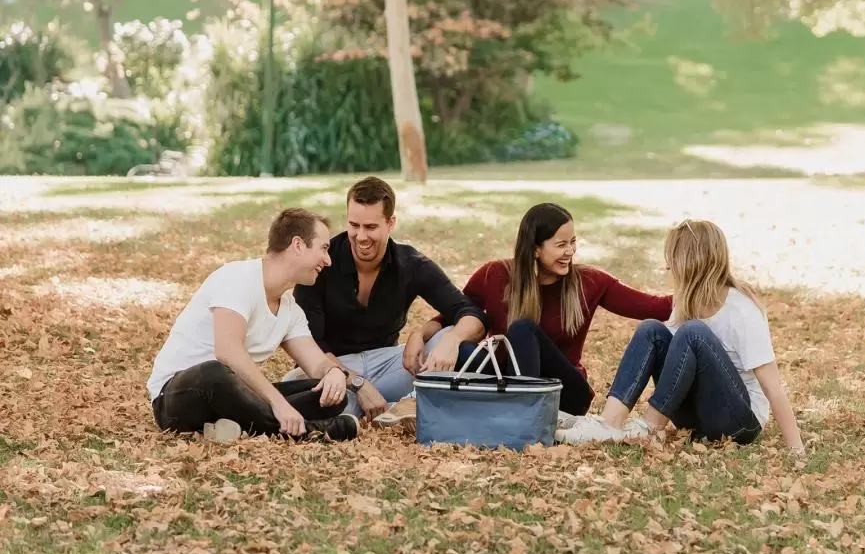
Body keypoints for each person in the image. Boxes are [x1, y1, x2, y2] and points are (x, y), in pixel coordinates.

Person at [555, 219, 804, 453]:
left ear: (690, 262)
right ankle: (608, 423)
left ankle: (649, 427)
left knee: (692, 332)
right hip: (695, 421)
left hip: (739, 423)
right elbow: (675, 362)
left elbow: (773, 388)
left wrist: (796, 450)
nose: (668, 266)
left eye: (672, 259)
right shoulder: (686, 302)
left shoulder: (742, 311)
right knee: (651, 329)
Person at [431, 202, 673, 417]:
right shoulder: (495, 275)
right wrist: (420, 338)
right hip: (505, 379)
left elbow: (657, 307)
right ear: (535, 249)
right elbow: (449, 316)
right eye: (561, 245)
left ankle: (521, 415)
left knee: (523, 329)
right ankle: (508, 408)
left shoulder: (589, 282)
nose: (570, 251)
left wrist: (704, 283)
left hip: (566, 393)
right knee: (462, 351)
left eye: (573, 242)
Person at [285, 176, 488, 429]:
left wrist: (445, 339)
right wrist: (358, 384)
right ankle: (393, 406)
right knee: (302, 389)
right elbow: (310, 344)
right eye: (354, 225)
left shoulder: (411, 264)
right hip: (331, 367)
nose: (360, 236)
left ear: (390, 223)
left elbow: (472, 314)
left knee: (448, 335)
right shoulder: (321, 261)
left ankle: (383, 407)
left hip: (388, 365)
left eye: (371, 227)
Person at [147, 208, 359, 442]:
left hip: (236, 397)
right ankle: (308, 432)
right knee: (215, 372)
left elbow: (316, 362)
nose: (328, 260)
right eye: (324, 249)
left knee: (328, 394)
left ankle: (231, 426)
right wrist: (278, 404)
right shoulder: (238, 278)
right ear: (298, 245)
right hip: (178, 397)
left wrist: (334, 373)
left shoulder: (290, 309)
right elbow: (228, 352)